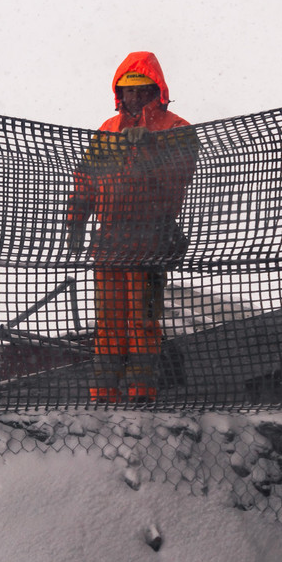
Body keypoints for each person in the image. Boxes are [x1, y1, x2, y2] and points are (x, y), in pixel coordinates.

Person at [66, 51, 197, 404]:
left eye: (142, 91)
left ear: (157, 90)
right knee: (108, 327)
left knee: (144, 324)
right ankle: (102, 395)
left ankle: (142, 395)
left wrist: (153, 149)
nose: (135, 98)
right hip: (109, 245)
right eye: (128, 91)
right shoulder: (106, 132)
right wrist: (76, 218)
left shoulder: (177, 128)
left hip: (152, 244)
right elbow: (85, 179)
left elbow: (180, 174)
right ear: (119, 93)